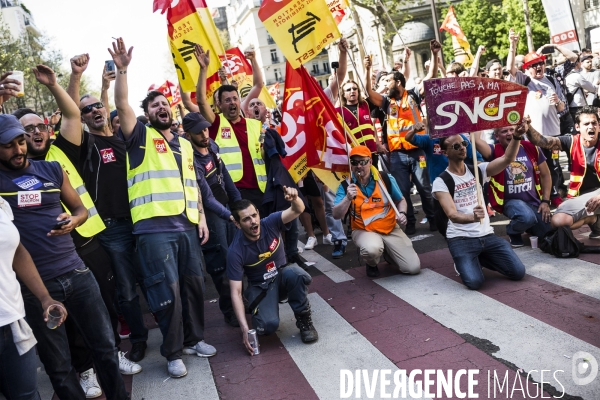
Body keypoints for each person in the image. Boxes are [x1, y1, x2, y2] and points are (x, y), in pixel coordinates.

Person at [14, 59, 141, 397]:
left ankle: (112, 354)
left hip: (86, 247)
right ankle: (85, 372)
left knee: (104, 310)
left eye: (39, 126)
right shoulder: (7, 175)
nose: (35, 133)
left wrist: (61, 82)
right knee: (64, 330)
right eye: (25, 130)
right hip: (40, 269)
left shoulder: (59, 152)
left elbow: (72, 115)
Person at [0, 114, 129, 399]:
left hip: (77, 274)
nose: (18, 150)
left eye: (20, 142)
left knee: (106, 350)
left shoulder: (52, 169)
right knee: (58, 367)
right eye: (9, 145)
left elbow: (81, 209)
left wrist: (74, 220)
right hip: (35, 289)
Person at [110, 37, 216, 378]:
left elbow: (192, 185)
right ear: (147, 114)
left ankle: (193, 340)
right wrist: (123, 69)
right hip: (154, 232)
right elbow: (123, 104)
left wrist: (200, 217)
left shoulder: (185, 144)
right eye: (153, 106)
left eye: (164, 103)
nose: (161, 108)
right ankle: (172, 353)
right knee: (167, 294)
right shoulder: (139, 136)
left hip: (186, 227)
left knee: (194, 286)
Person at [66, 54, 149, 364]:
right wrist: (77, 77)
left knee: (154, 280)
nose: (93, 111)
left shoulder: (124, 140)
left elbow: (120, 103)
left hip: (143, 221)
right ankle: (139, 340)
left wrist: (111, 82)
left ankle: (174, 337)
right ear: (82, 118)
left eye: (97, 106)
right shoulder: (85, 146)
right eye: (85, 110)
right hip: (113, 230)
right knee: (126, 291)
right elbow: (69, 112)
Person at [227, 186, 318, 354]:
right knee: (267, 327)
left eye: (254, 215)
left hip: (282, 276)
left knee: (296, 274)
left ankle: (304, 321)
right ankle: (258, 306)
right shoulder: (235, 251)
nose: (253, 221)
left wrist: (295, 198)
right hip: (260, 287)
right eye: (246, 219)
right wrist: (245, 330)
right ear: (237, 223)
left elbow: (299, 209)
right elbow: (235, 293)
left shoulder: (270, 222)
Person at [432, 130, 527, 290]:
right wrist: (473, 217)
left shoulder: (477, 170)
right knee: (474, 282)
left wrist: (517, 136)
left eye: (464, 143)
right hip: (461, 238)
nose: (462, 148)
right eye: (456, 146)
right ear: (444, 152)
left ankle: (479, 258)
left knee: (518, 272)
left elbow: (507, 159)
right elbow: (452, 215)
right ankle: (466, 260)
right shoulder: (441, 181)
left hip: (486, 235)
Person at [0, 194, 67, 400]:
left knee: (27, 395)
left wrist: (45, 297)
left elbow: (17, 252)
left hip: (13, 320)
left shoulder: (1, 204)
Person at [365, 50, 437, 235]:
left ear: (398, 82)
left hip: (417, 151)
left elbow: (430, 77)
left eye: (388, 81)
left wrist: (435, 56)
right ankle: (410, 222)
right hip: (396, 154)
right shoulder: (386, 101)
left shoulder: (413, 95)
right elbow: (369, 92)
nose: (385, 84)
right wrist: (367, 69)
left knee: (425, 189)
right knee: (403, 191)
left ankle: (434, 219)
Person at [182, 112, 242, 328]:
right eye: (198, 131)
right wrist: (230, 215)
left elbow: (225, 176)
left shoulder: (213, 146)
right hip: (211, 217)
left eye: (206, 129)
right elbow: (206, 198)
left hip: (227, 209)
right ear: (188, 134)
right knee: (222, 265)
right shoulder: (191, 159)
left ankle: (242, 302)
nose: (204, 134)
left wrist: (239, 205)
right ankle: (230, 310)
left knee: (237, 257)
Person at [194, 44, 267, 209]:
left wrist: (254, 60)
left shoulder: (255, 125)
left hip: (261, 189)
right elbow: (200, 101)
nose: (232, 102)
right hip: (233, 191)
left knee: (267, 232)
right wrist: (203, 69)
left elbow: (264, 152)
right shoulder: (216, 123)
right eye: (227, 100)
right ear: (219, 105)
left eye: (235, 98)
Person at [508, 41, 578, 205]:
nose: (538, 67)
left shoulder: (552, 80)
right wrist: (513, 44)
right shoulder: (524, 80)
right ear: (527, 68)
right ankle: (539, 197)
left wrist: (558, 102)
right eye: (534, 65)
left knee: (553, 166)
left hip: (553, 133)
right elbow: (510, 67)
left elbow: (561, 108)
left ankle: (554, 195)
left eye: (541, 63)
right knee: (536, 167)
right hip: (533, 135)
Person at [332, 146, 420, 277]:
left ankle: (389, 254)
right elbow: (336, 214)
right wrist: (347, 198)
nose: (358, 166)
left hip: (389, 228)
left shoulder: (385, 178)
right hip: (363, 230)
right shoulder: (346, 185)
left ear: (370, 162)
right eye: (354, 162)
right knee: (371, 249)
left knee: (413, 268)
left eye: (362, 162)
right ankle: (371, 263)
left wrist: (402, 213)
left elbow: (401, 200)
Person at [525, 106, 600, 236]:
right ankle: (593, 220)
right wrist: (527, 127)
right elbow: (542, 141)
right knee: (558, 222)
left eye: (594, 123)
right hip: (583, 197)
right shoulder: (570, 141)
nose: (591, 127)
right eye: (586, 124)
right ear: (577, 127)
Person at [472, 125, 553, 247]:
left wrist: (545, 201)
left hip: (533, 202)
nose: (509, 133)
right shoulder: (494, 150)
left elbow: (546, 175)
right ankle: (513, 231)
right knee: (526, 217)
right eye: (504, 131)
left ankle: (528, 225)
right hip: (510, 202)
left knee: (549, 233)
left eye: (512, 130)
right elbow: (477, 141)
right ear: (497, 136)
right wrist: (478, 118)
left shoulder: (531, 147)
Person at [566, 55, 600, 121]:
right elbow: (593, 88)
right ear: (578, 63)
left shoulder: (567, 75)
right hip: (577, 107)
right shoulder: (577, 76)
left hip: (571, 106)